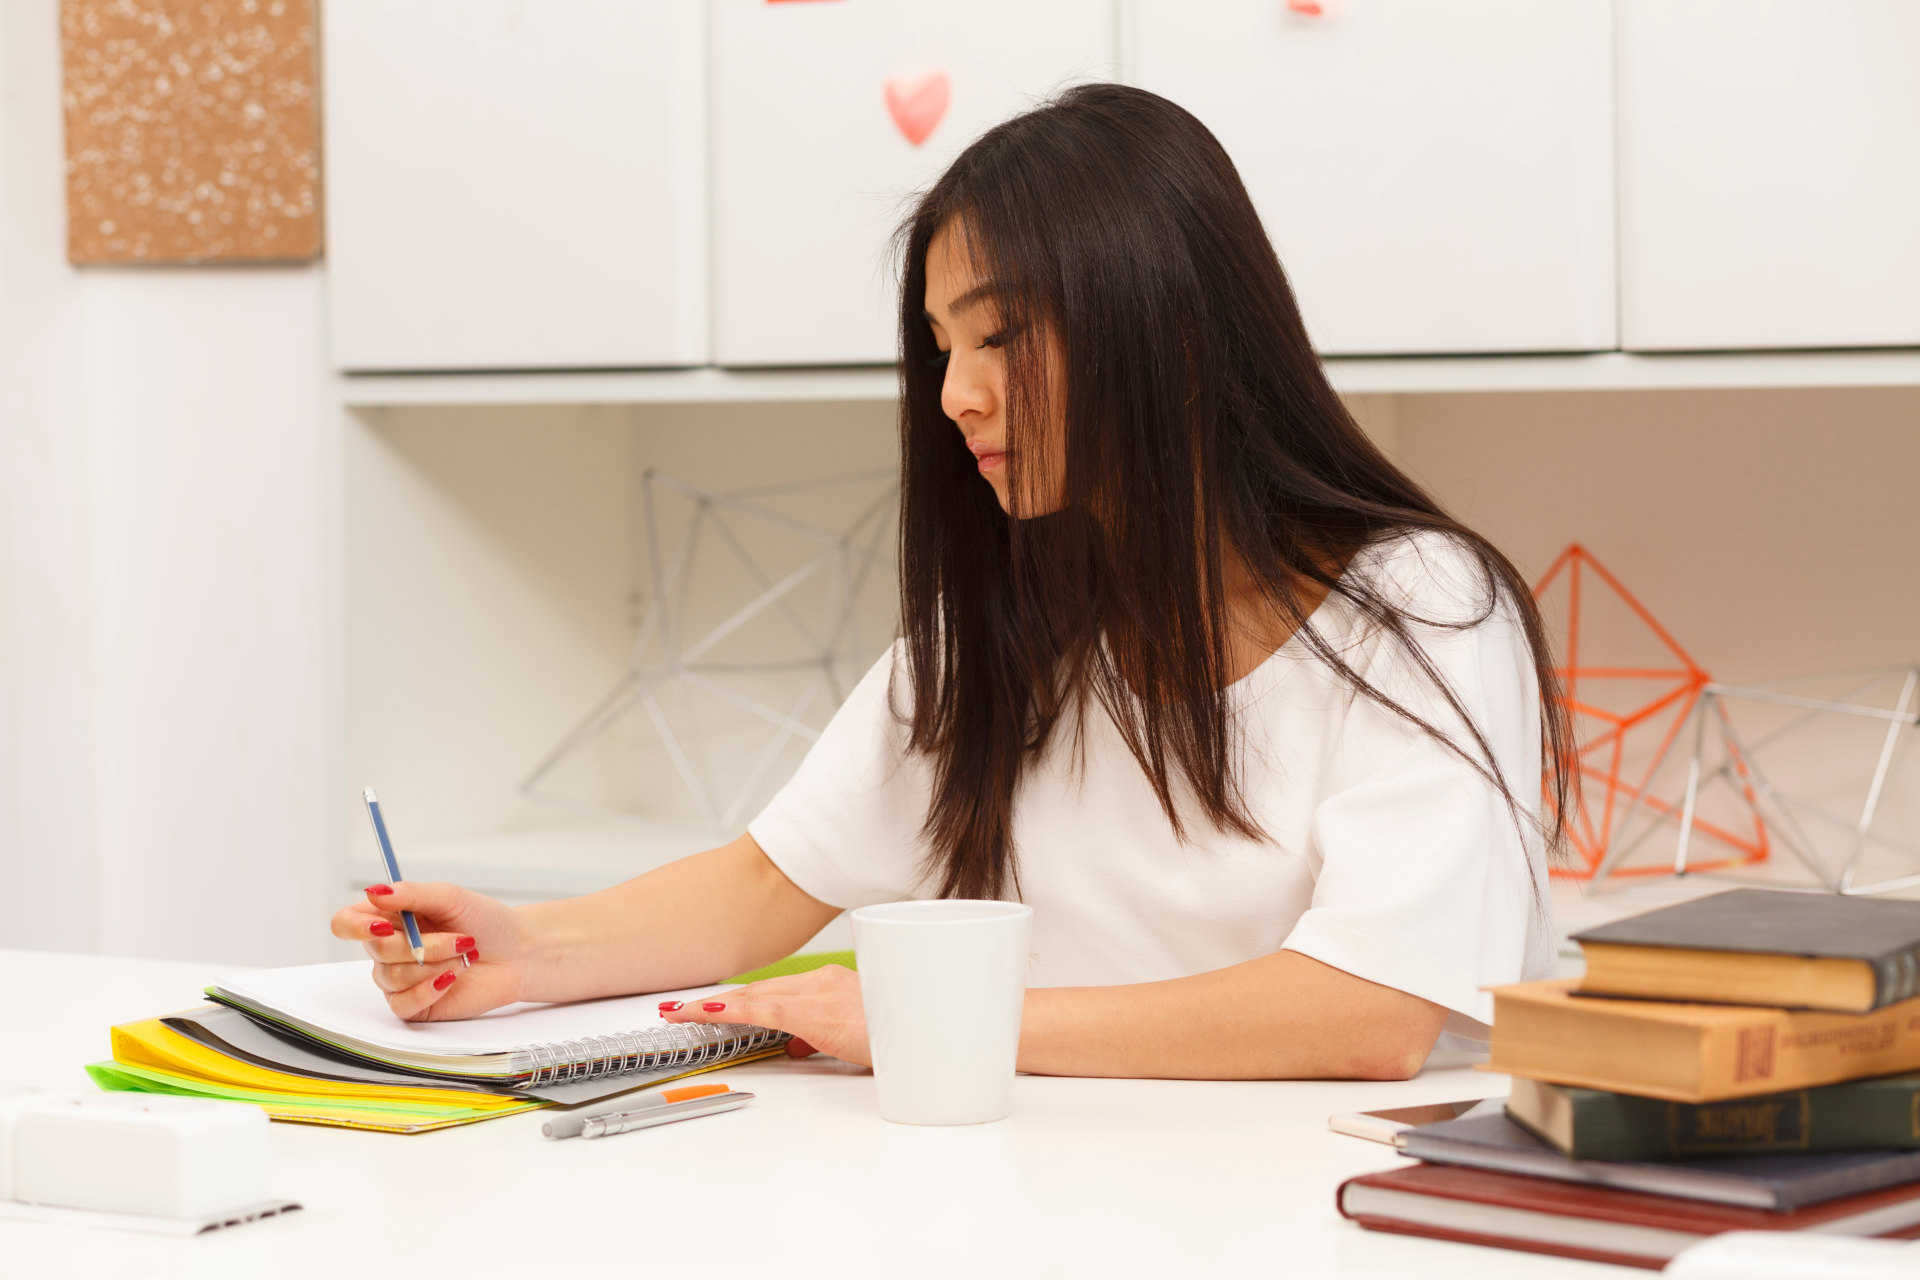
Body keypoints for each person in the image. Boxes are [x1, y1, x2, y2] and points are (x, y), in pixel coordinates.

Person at [332, 84, 1572, 1080]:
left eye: (1002, 334)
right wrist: (523, 947)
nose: (955, 395)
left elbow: (1370, 1012)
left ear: (1171, 325)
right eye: (941, 346)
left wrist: (938, 1021)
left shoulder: (1424, 607)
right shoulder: (1004, 630)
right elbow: (772, 879)